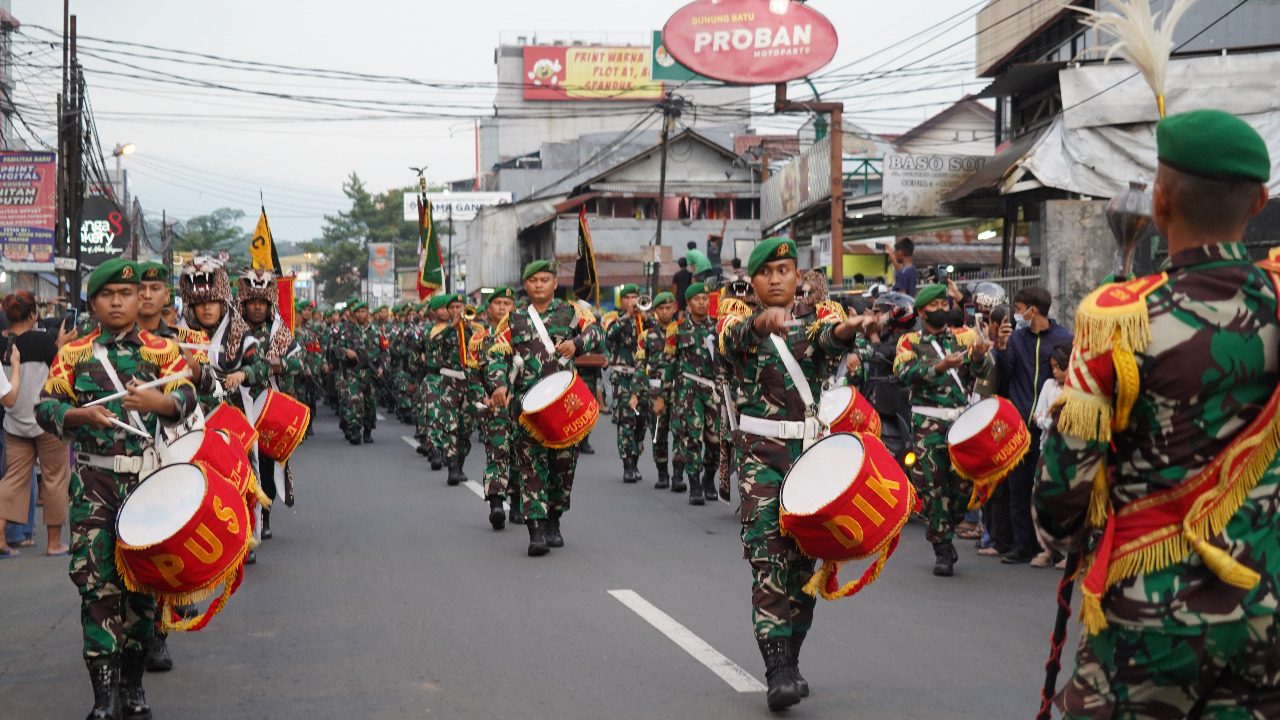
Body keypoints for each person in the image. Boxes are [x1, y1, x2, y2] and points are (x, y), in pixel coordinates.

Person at [1039, 109, 1278, 719]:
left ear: (1159, 202)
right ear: (1260, 201)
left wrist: (1060, 533)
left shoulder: (1119, 317)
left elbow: (1063, 492)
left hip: (1151, 613)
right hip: (1269, 608)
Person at [36, 258, 198, 720]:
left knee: (142, 588)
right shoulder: (75, 353)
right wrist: (76, 417)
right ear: (94, 302)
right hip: (93, 483)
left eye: (126, 295)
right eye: (108, 295)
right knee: (97, 587)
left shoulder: (162, 351)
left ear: (137, 300)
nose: (119, 301)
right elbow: (44, 406)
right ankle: (103, 698)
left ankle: (133, 687)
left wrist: (162, 401)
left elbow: (191, 397)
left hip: (148, 484)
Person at [719, 237, 866, 711]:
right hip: (760, 457)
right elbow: (733, 340)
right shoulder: (735, 317)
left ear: (798, 275)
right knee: (769, 560)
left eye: (786, 269)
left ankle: (793, 657)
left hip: (811, 455)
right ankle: (777, 668)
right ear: (754, 281)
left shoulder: (822, 316)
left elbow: (829, 339)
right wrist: (762, 322)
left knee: (805, 565)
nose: (778, 278)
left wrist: (849, 332)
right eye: (768, 272)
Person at [487, 260, 602, 557]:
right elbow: (497, 355)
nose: (539, 285)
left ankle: (554, 520)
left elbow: (597, 333)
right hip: (529, 410)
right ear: (525, 285)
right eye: (533, 280)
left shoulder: (572, 313)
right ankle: (535, 529)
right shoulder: (512, 320)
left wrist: (577, 343)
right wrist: (499, 384)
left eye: (545, 280)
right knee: (531, 467)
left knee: (563, 467)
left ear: (554, 282)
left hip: (565, 405)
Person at [894, 283, 992, 577]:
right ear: (922, 311)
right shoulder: (909, 341)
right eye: (934, 306)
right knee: (932, 488)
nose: (941, 309)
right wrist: (938, 368)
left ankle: (952, 523)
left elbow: (980, 373)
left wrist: (977, 356)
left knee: (964, 484)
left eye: (943, 304)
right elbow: (903, 372)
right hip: (928, 423)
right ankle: (942, 548)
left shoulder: (963, 337)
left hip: (960, 423)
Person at [992, 284, 1074, 564]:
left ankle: (1050, 546)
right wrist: (1001, 347)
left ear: (1032, 310)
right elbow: (1004, 373)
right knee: (1018, 488)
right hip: (1019, 427)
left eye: (1017, 310)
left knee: (1046, 491)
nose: (1015, 316)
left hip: (1050, 431)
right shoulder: (1015, 339)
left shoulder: (1064, 339)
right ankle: (1022, 545)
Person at [0, 291, 71, 558]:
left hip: (13, 422)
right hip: (46, 420)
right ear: (34, 314)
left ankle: (1, 537)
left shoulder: (2, 342)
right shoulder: (42, 340)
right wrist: (62, 345)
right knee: (54, 479)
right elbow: (60, 369)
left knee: (13, 479)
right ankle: (54, 543)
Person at [239, 268, 303, 532]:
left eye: (261, 303)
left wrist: (279, 363)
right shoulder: (232, 328)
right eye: (252, 302)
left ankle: (264, 515)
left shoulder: (278, 331)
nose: (256, 307)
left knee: (266, 463)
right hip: (235, 405)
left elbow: (298, 362)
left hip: (267, 407)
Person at [666, 282, 723, 504]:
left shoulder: (718, 328)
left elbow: (725, 362)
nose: (702, 302)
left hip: (713, 389)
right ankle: (695, 485)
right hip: (688, 390)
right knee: (692, 437)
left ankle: (709, 477)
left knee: (716, 439)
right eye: (696, 299)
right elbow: (669, 367)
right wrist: (665, 396)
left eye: (705, 298)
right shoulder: (677, 330)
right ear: (688, 303)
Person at [475, 288, 522, 529]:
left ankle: (517, 504)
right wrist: (482, 398)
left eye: (507, 303)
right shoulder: (479, 338)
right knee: (498, 453)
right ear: (488, 308)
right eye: (498, 303)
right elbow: (471, 375)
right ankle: (496, 503)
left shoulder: (524, 336)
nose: (503, 307)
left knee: (521, 455)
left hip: (522, 406)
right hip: (494, 408)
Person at [603, 284, 647, 483]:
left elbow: (660, 332)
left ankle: (635, 461)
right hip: (622, 376)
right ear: (622, 301)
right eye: (628, 298)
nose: (632, 301)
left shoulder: (645, 318)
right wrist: (627, 316)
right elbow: (609, 335)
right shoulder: (614, 318)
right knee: (625, 421)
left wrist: (644, 317)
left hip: (642, 378)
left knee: (640, 422)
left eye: (635, 297)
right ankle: (627, 465)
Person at [639, 292, 677, 489]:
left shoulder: (681, 332)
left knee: (683, 433)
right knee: (658, 434)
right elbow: (640, 365)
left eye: (668, 308)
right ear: (655, 311)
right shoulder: (647, 336)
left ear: (674, 308)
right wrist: (637, 393)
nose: (665, 312)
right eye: (661, 308)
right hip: (655, 392)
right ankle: (663, 473)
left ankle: (679, 474)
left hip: (680, 392)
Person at [337, 301, 381, 445]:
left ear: (368, 313)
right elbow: (337, 349)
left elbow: (385, 352)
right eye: (358, 312)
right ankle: (355, 430)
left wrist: (381, 367)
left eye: (364, 311)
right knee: (354, 401)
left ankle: (367, 430)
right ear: (354, 314)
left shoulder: (377, 331)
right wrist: (346, 352)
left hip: (370, 373)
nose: (361, 314)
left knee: (370, 402)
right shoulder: (347, 332)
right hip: (353, 372)